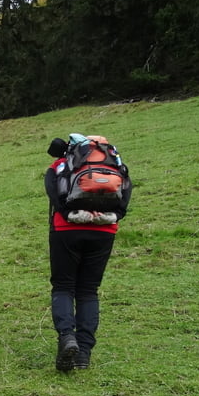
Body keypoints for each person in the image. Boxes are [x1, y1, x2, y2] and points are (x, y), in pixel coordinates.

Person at [44, 136, 131, 371]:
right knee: (88, 290)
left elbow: (54, 193)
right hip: (105, 230)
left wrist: (72, 214)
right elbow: (125, 197)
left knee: (63, 286)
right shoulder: (117, 165)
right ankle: (83, 352)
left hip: (66, 230)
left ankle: (66, 337)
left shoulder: (61, 165)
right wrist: (112, 217)